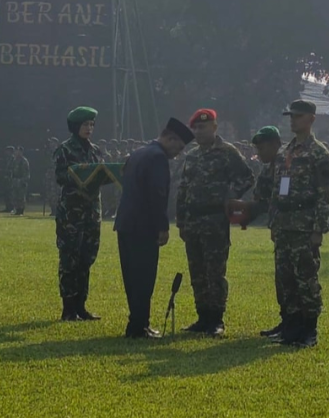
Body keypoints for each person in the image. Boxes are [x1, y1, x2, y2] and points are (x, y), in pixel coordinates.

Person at [175, 109, 254, 337]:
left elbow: (247, 177)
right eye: (196, 128)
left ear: (214, 128)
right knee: (197, 271)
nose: (199, 131)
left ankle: (216, 319)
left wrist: (229, 197)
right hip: (193, 220)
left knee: (214, 271)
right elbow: (183, 188)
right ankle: (202, 317)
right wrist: (180, 220)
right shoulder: (192, 155)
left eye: (204, 127)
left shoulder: (227, 152)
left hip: (215, 220)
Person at [115, 118, 193, 339]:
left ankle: (136, 322)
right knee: (144, 277)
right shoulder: (158, 158)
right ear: (170, 138)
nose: (177, 153)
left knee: (132, 277)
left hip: (126, 224)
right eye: (178, 147)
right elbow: (157, 195)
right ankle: (139, 326)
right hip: (144, 226)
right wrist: (163, 226)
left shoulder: (139, 153)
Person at [270, 100, 329, 347]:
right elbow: (277, 190)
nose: (292, 120)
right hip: (284, 223)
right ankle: (292, 326)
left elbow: (324, 193)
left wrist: (319, 228)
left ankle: (309, 329)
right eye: (291, 116)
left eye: (297, 116)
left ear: (311, 119)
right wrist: (274, 222)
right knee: (285, 277)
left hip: (304, 224)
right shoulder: (286, 151)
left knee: (306, 276)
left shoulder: (318, 153)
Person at [228, 126, 284, 336]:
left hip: (295, 227)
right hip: (280, 227)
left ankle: (299, 324)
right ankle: (286, 321)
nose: (258, 154)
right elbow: (261, 201)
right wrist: (239, 212)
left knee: (295, 278)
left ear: (275, 145)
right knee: (283, 277)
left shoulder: (288, 165)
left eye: (262, 149)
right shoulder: (269, 168)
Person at [54, 107, 105, 321]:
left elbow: (102, 173)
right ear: (76, 127)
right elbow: (60, 176)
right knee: (70, 259)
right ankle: (68, 308)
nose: (89, 129)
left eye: (92, 125)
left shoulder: (95, 150)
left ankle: (81, 306)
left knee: (86, 258)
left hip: (91, 212)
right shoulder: (65, 149)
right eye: (85, 125)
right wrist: (78, 173)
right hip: (71, 214)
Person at [10, 146, 30, 215]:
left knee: (21, 196)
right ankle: (16, 209)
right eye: (16, 151)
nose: (17, 152)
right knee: (15, 196)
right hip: (15, 180)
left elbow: (26, 173)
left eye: (18, 151)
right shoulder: (14, 160)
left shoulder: (24, 161)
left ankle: (21, 210)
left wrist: (23, 181)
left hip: (21, 180)